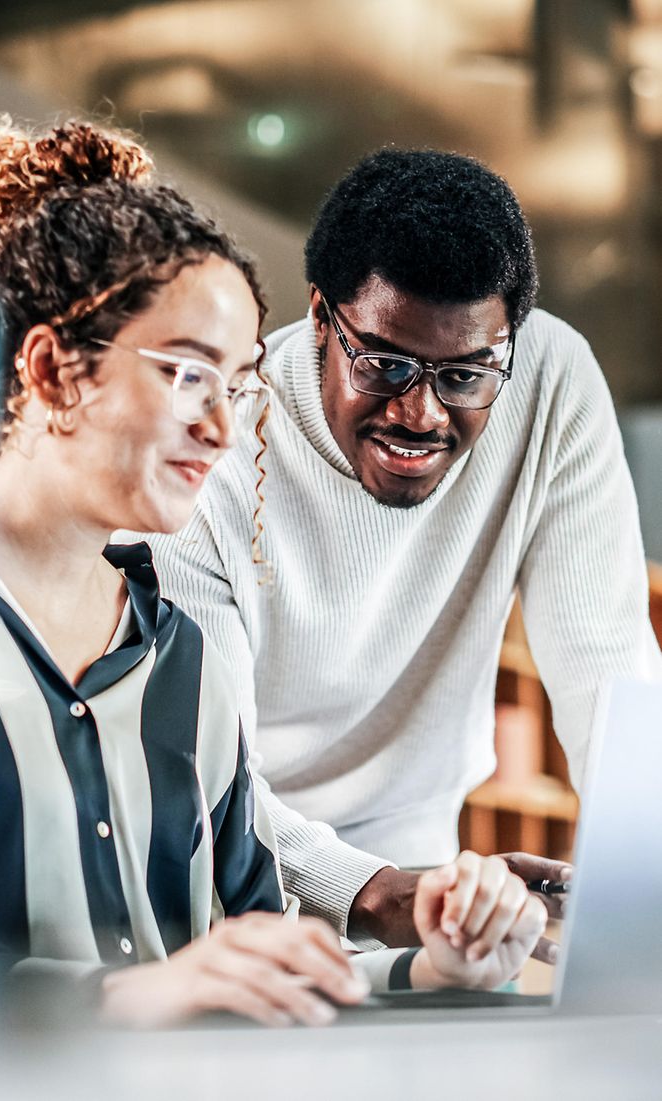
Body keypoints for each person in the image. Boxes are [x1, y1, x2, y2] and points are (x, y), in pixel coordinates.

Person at [0, 119, 548, 1030]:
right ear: (54, 370)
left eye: (239, 384)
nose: (223, 428)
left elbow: (258, 958)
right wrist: (124, 997)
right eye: (187, 375)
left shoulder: (187, 660)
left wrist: (430, 968)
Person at [134, 148, 662, 951]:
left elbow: (609, 667)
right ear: (320, 318)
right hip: (232, 915)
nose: (421, 414)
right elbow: (209, 778)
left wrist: (640, 882)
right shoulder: (212, 447)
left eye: (465, 375)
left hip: (432, 903)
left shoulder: (551, 381)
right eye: (384, 363)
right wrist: (373, 891)